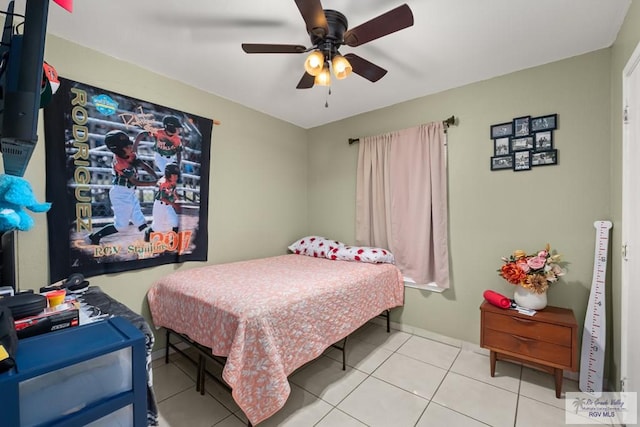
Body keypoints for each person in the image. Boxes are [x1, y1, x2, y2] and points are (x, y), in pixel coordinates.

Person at [88, 130, 158, 244]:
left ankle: (149, 240)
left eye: (130, 143)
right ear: (118, 149)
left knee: (139, 219)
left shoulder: (129, 154)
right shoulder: (121, 162)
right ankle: (94, 237)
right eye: (127, 146)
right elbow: (135, 182)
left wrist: (156, 176)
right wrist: (155, 183)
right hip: (120, 194)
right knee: (121, 226)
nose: (130, 146)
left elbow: (143, 165)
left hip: (128, 192)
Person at [144, 163, 181, 242]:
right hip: (160, 205)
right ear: (168, 174)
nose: (176, 177)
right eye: (173, 175)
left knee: (175, 222)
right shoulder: (163, 182)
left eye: (177, 175)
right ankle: (147, 233)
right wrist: (174, 204)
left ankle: (173, 243)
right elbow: (162, 198)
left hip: (168, 205)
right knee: (157, 227)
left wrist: (178, 198)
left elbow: (173, 191)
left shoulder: (172, 181)